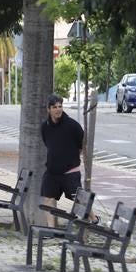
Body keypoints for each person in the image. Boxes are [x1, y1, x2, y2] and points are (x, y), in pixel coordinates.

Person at [39, 94, 85, 222]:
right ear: (49, 109)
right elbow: (48, 144)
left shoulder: (72, 125)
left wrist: (71, 158)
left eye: (60, 106)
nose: (58, 109)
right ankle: (50, 230)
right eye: (54, 107)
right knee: (47, 199)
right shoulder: (45, 127)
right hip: (52, 171)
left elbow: (81, 144)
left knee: (78, 199)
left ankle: (94, 218)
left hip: (70, 170)